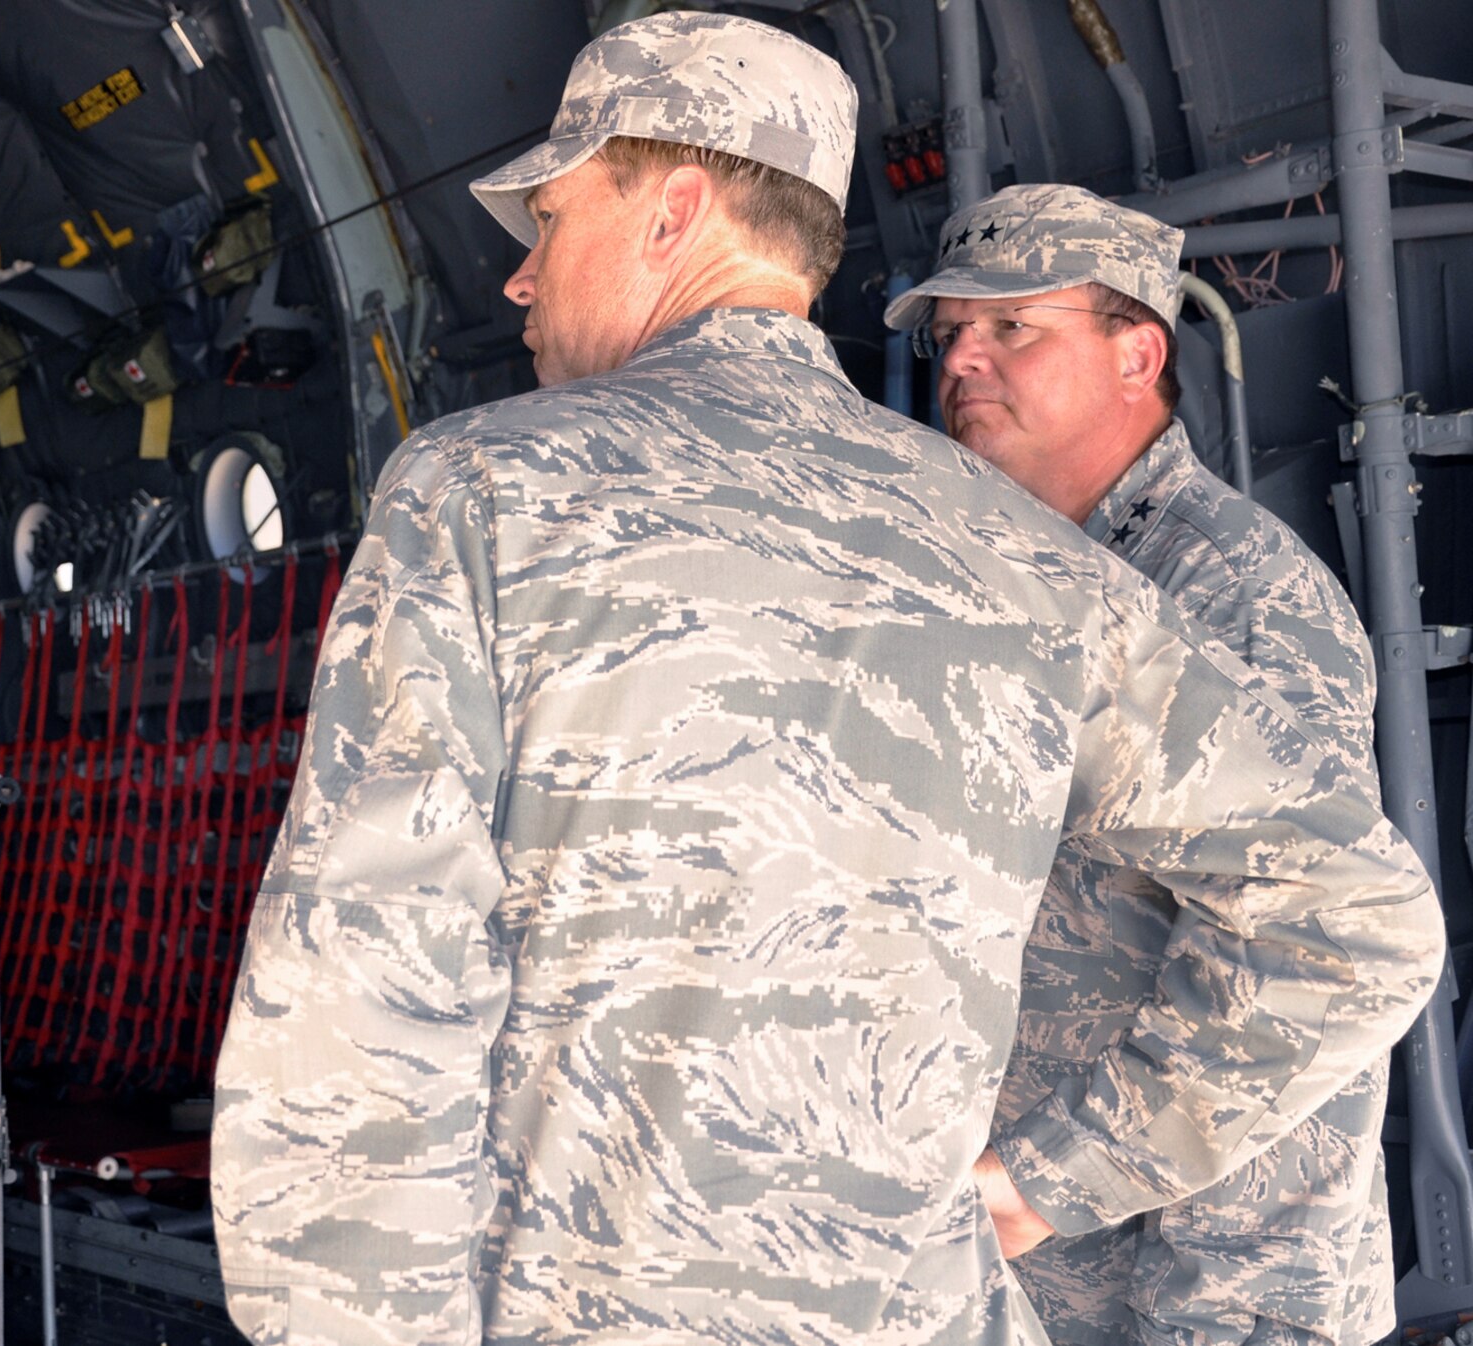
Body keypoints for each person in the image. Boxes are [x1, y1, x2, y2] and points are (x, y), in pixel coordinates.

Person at [209, 12, 1442, 1345]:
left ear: (676, 208)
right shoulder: (1036, 564)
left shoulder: (487, 495)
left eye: (552, 221)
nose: (516, 280)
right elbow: (1355, 917)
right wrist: (1041, 1188)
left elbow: (357, 1014)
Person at [885, 182, 1395, 1345]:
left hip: (1198, 1294)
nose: (964, 356)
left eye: (1013, 325)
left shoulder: (1234, 596)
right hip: (1041, 1283)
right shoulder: (1012, 583)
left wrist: (1227, 1313)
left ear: (1136, 353)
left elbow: (1308, 968)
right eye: (949, 330)